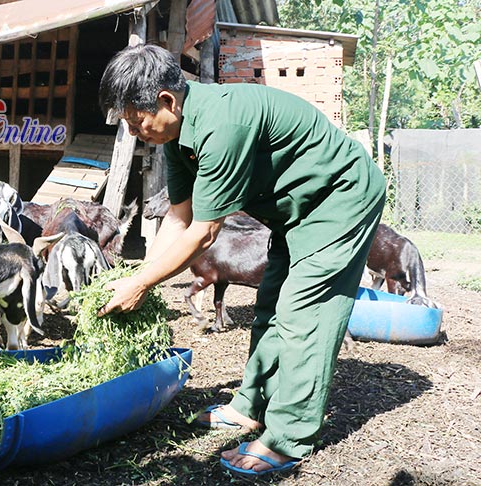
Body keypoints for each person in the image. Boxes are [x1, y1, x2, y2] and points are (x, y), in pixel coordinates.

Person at [97, 44, 385, 476]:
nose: (137, 132)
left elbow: (204, 232)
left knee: (305, 309)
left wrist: (141, 286)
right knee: (270, 303)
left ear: (166, 101)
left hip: (339, 198)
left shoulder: (222, 124)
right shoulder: (177, 138)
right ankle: (250, 405)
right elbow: (180, 216)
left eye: (137, 121)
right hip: (292, 210)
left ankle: (289, 437)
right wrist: (137, 274)